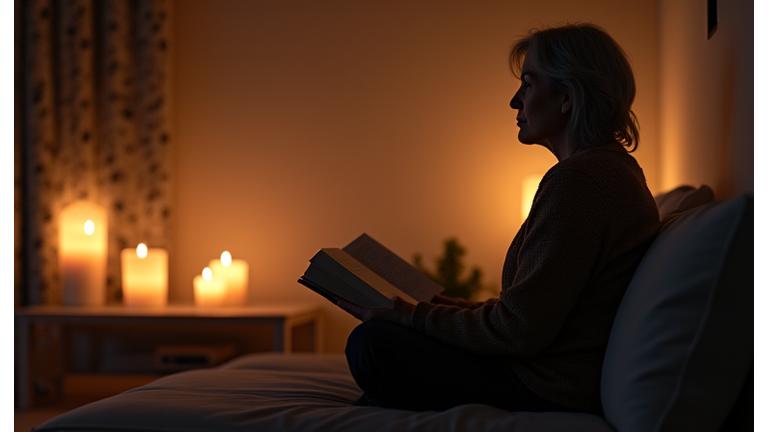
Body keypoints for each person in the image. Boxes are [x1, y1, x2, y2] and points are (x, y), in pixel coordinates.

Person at [338, 23, 660, 414]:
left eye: (527, 84)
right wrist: (440, 306)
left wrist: (412, 316)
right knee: (383, 338)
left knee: (372, 343)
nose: (514, 101)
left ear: (566, 97)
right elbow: (528, 313)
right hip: (542, 372)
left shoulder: (580, 183)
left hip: (544, 386)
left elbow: (519, 330)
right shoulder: (608, 173)